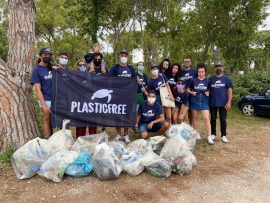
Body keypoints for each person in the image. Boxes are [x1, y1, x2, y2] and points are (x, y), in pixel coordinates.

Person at [108, 49, 136, 142]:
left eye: (125, 55)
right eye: (122, 55)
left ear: (127, 57)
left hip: (128, 95)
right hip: (117, 95)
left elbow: (134, 80)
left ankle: (126, 134)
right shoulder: (114, 68)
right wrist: (111, 93)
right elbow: (109, 81)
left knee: (127, 115)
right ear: (119, 56)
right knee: (117, 115)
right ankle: (119, 134)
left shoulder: (131, 68)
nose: (124, 57)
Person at [187, 63, 213, 144]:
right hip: (194, 100)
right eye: (199, 72)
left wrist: (208, 93)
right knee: (195, 118)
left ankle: (209, 137)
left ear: (205, 72)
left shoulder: (208, 81)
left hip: (204, 100)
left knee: (206, 118)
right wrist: (192, 93)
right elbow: (187, 89)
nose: (201, 73)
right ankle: (197, 133)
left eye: (202, 71)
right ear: (197, 72)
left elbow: (209, 89)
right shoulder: (193, 80)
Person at [30, 48, 53, 139]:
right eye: (45, 55)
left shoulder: (52, 67)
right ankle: (49, 140)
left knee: (55, 120)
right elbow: (38, 90)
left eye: (49, 55)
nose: (47, 57)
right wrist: (44, 105)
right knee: (47, 119)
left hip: (55, 98)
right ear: (41, 56)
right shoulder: (37, 70)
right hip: (46, 99)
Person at [209, 63, 233, 143]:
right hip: (212, 102)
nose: (218, 68)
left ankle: (223, 135)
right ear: (214, 69)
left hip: (223, 103)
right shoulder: (210, 79)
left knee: (223, 120)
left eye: (220, 67)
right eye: (216, 67)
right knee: (213, 119)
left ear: (223, 68)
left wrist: (229, 102)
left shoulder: (226, 79)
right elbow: (207, 90)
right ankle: (213, 134)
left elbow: (229, 91)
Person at [74, 59, 97, 137]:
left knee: (92, 124)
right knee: (81, 125)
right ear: (77, 66)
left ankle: (93, 140)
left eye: (84, 65)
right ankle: (80, 140)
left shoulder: (89, 76)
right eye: (80, 65)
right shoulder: (74, 76)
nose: (82, 66)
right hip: (80, 103)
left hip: (90, 103)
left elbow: (94, 87)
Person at [181, 57, 198, 127]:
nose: (187, 62)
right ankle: (182, 126)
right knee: (182, 111)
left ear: (190, 62)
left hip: (192, 94)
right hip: (182, 94)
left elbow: (199, 80)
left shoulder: (194, 71)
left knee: (191, 112)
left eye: (188, 61)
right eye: (185, 61)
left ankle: (190, 126)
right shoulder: (180, 72)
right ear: (183, 62)